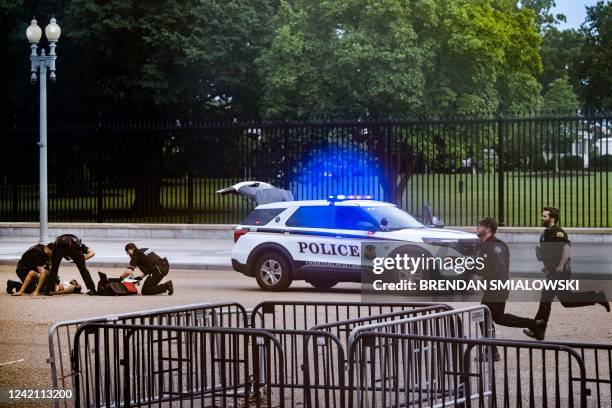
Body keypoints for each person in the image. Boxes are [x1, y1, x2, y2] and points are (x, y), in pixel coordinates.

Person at [524, 207, 609, 340]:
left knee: (546, 298)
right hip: (553, 272)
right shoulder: (546, 233)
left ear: (552, 218)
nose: (542, 218)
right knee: (566, 300)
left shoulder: (558, 233)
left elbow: (567, 249)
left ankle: (538, 329)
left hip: (560, 272)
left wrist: (560, 266)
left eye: (544, 216)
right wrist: (547, 267)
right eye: (542, 216)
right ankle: (597, 297)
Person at [469, 218, 547, 353]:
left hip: (496, 287)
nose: (476, 228)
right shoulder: (486, 244)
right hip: (493, 288)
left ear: (488, 228)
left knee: (483, 316)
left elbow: (500, 267)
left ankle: (491, 351)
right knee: (498, 317)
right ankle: (534, 324)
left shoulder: (496, 246)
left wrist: (481, 275)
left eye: (479, 226)